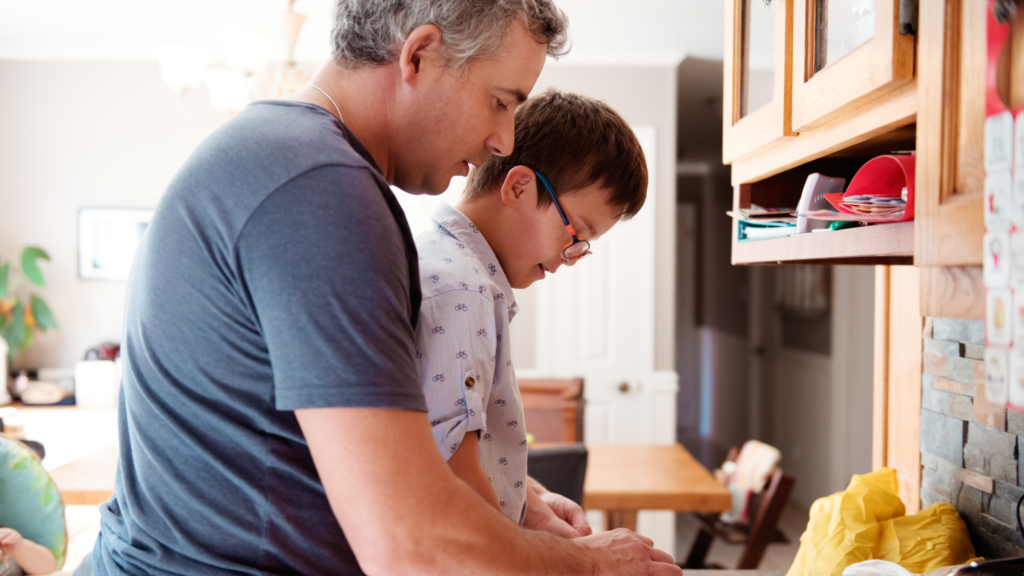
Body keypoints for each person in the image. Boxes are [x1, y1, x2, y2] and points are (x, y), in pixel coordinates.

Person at [83, 1, 682, 575]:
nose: (503, 140)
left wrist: (515, 492)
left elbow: (370, 444)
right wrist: (593, 564)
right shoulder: (321, 191)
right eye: (500, 102)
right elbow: (413, 545)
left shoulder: (285, 159)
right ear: (419, 55)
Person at [414, 89, 646, 537]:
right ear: (519, 186)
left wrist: (528, 496)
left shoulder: (455, 267)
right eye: (576, 230)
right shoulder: (464, 290)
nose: (571, 255)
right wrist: (583, 563)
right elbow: (454, 489)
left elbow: (466, 448)